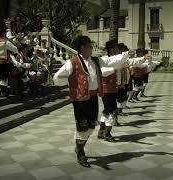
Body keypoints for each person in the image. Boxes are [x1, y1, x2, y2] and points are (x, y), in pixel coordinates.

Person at [53, 36, 130, 167]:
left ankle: (79, 146)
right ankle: (80, 151)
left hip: (93, 97)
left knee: (91, 126)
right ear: (82, 47)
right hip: (80, 99)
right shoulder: (73, 62)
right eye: (89, 46)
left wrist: (126, 55)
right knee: (83, 126)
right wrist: (70, 81)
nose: (91, 48)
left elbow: (111, 60)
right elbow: (57, 77)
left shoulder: (95, 60)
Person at [0, 25, 19, 96]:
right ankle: (3, 91)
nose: (6, 34)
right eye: (5, 32)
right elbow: (15, 49)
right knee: (4, 76)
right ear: (3, 33)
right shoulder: (5, 41)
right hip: (3, 61)